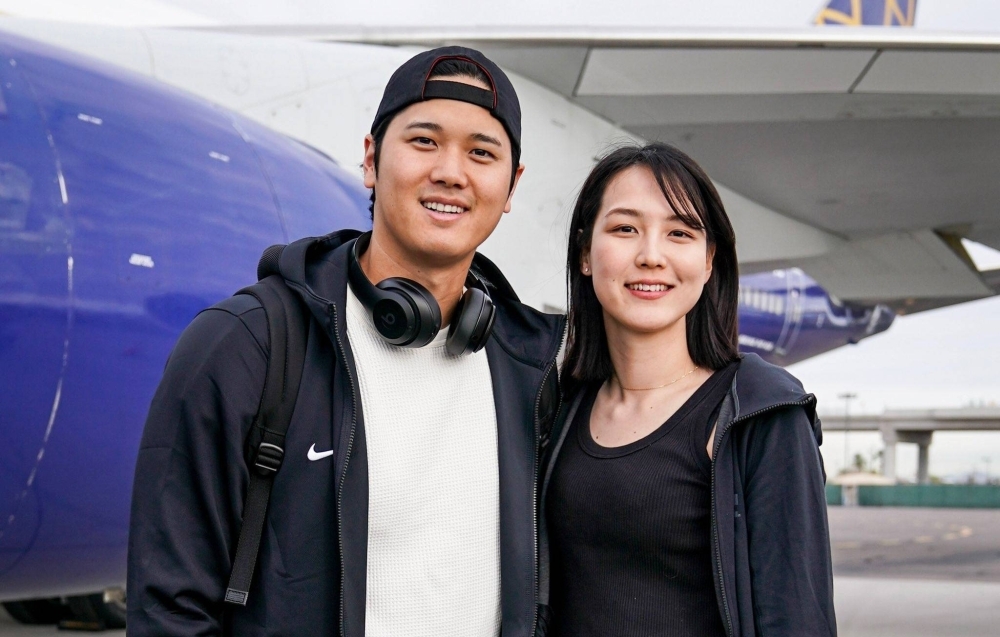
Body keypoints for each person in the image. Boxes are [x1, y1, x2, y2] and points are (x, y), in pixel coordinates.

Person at [127, 46, 564, 637]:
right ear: (370, 159)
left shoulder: (533, 369)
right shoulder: (247, 345)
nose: (451, 172)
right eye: (424, 141)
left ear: (510, 187)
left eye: (481, 153)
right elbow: (169, 612)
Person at [541, 143, 836, 636]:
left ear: (708, 261)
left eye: (679, 233)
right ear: (586, 254)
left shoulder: (759, 412)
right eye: (624, 229)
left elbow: (797, 616)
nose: (651, 256)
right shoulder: (556, 408)